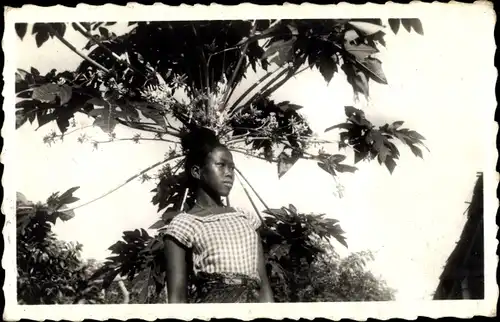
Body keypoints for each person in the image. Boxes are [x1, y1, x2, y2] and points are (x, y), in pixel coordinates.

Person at [163, 127, 274, 303]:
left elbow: (264, 286)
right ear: (197, 172)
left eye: (232, 168)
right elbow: (177, 299)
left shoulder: (246, 218)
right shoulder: (183, 225)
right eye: (221, 165)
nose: (229, 173)